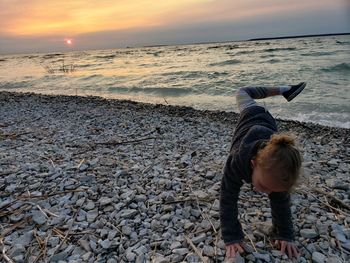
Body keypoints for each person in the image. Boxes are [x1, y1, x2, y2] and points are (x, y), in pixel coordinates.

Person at [220, 82, 306, 259]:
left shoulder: (274, 173)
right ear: (253, 164)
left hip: (267, 122)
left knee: (278, 194)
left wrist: (285, 235)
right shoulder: (236, 161)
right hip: (251, 113)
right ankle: (285, 88)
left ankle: (287, 90)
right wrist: (232, 237)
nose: (266, 192)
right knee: (242, 92)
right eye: (262, 185)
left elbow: (281, 202)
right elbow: (227, 197)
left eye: (270, 190)